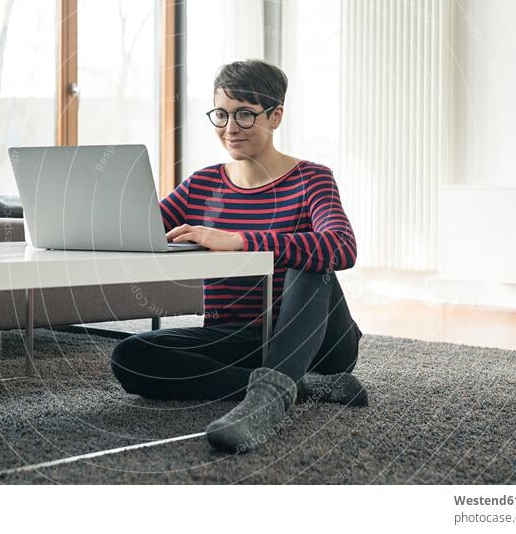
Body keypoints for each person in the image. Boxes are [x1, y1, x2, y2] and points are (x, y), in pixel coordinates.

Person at [110, 59, 367, 454]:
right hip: (237, 335)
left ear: (275, 115)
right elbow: (140, 229)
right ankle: (299, 384)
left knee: (311, 264)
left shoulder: (312, 178)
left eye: (245, 115)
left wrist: (242, 240)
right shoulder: (203, 184)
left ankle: (266, 403)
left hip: (319, 342)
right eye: (222, 114)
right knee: (130, 357)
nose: (230, 128)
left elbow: (342, 246)